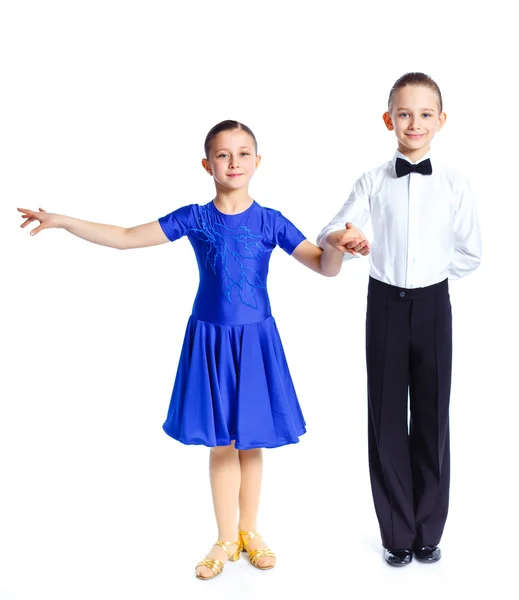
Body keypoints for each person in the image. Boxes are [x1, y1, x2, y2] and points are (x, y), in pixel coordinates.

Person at [18, 119, 368, 579]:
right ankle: (225, 537)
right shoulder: (196, 218)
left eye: (244, 153)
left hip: (255, 341)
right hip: (211, 341)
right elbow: (125, 238)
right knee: (222, 441)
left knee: (252, 439)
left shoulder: (271, 221)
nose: (234, 162)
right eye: (224, 155)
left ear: (258, 162)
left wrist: (340, 246)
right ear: (207, 165)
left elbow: (324, 267)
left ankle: (251, 531)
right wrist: (63, 221)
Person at [317, 73, 481, 566]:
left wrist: (430, 274)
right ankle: (396, 533)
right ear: (389, 120)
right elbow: (333, 228)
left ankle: (429, 530)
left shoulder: (455, 182)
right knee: (386, 419)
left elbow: (471, 253)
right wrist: (345, 240)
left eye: (425, 114)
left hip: (433, 306)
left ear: (441, 121)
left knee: (433, 418)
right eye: (404, 113)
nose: (414, 123)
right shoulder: (371, 181)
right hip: (385, 305)